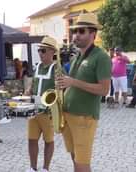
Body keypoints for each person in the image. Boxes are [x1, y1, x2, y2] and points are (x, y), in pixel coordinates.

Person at [56, 13, 111, 172]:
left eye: (81, 31)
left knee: (82, 163)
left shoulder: (101, 57)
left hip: (84, 117)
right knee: (75, 158)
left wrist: (73, 82)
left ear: (93, 34)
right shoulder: (77, 57)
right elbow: (72, 83)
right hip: (69, 115)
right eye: (75, 31)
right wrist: (62, 84)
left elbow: (104, 89)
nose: (76, 35)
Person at [24, 36, 58, 172]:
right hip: (34, 109)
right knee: (32, 139)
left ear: (52, 52)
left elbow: (62, 89)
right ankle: (33, 168)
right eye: (39, 50)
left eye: (43, 51)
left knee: (48, 141)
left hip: (48, 111)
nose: (40, 53)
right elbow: (33, 85)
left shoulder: (56, 68)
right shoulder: (37, 66)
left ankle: (45, 168)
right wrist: (27, 91)